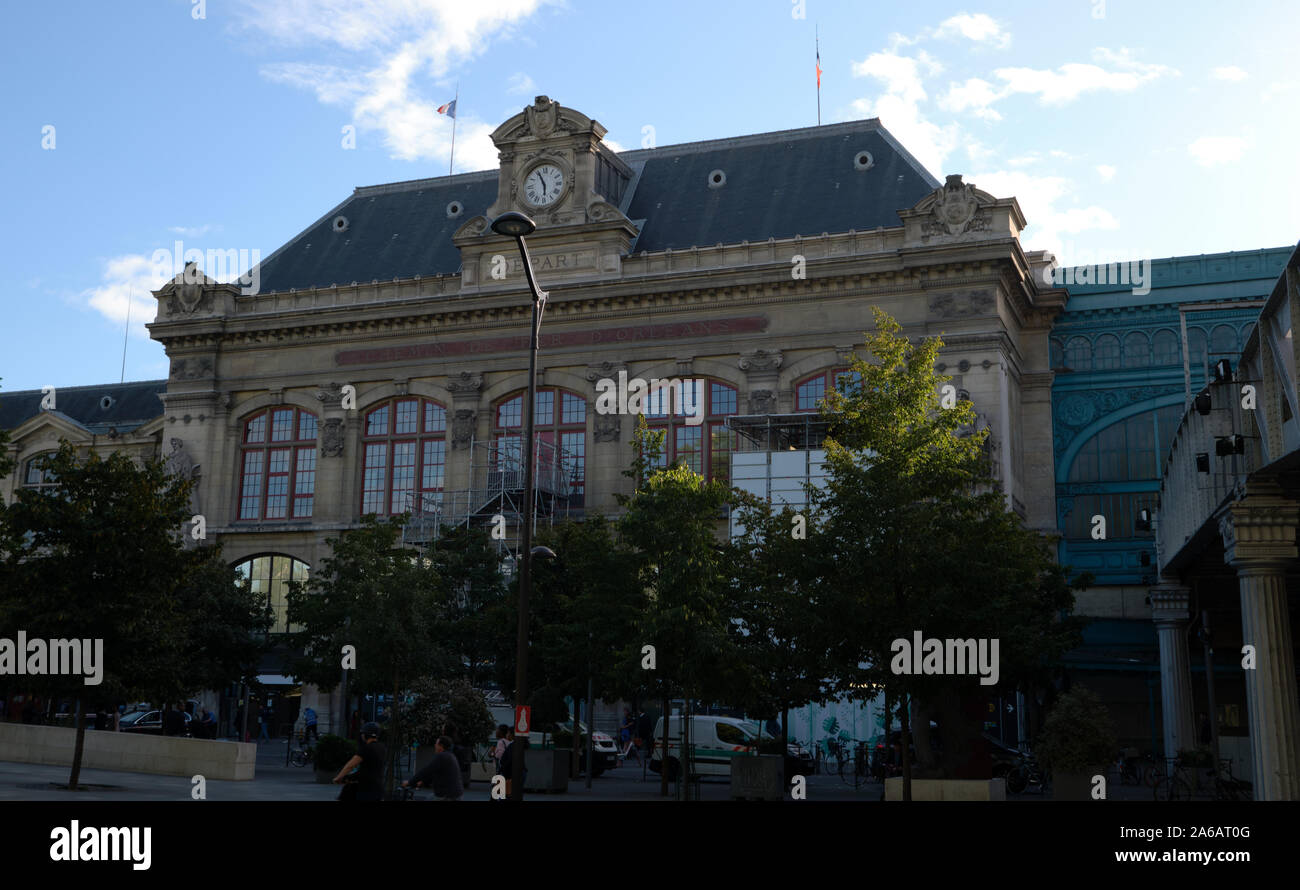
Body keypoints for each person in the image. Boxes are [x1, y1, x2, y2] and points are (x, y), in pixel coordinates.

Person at [334, 722, 386, 801]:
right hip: (378, 788)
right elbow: (370, 768)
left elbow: (350, 766)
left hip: (366, 790)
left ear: (365, 735)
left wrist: (338, 777)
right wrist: (349, 777)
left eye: (362, 733)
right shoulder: (382, 747)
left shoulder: (366, 748)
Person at [403, 735, 464, 801]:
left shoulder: (441, 756)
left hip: (447, 795)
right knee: (430, 797)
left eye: (436, 743)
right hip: (456, 793)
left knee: (430, 798)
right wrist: (423, 782)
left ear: (441, 746)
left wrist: (409, 782)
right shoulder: (450, 756)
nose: (435, 745)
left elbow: (426, 771)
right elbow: (433, 773)